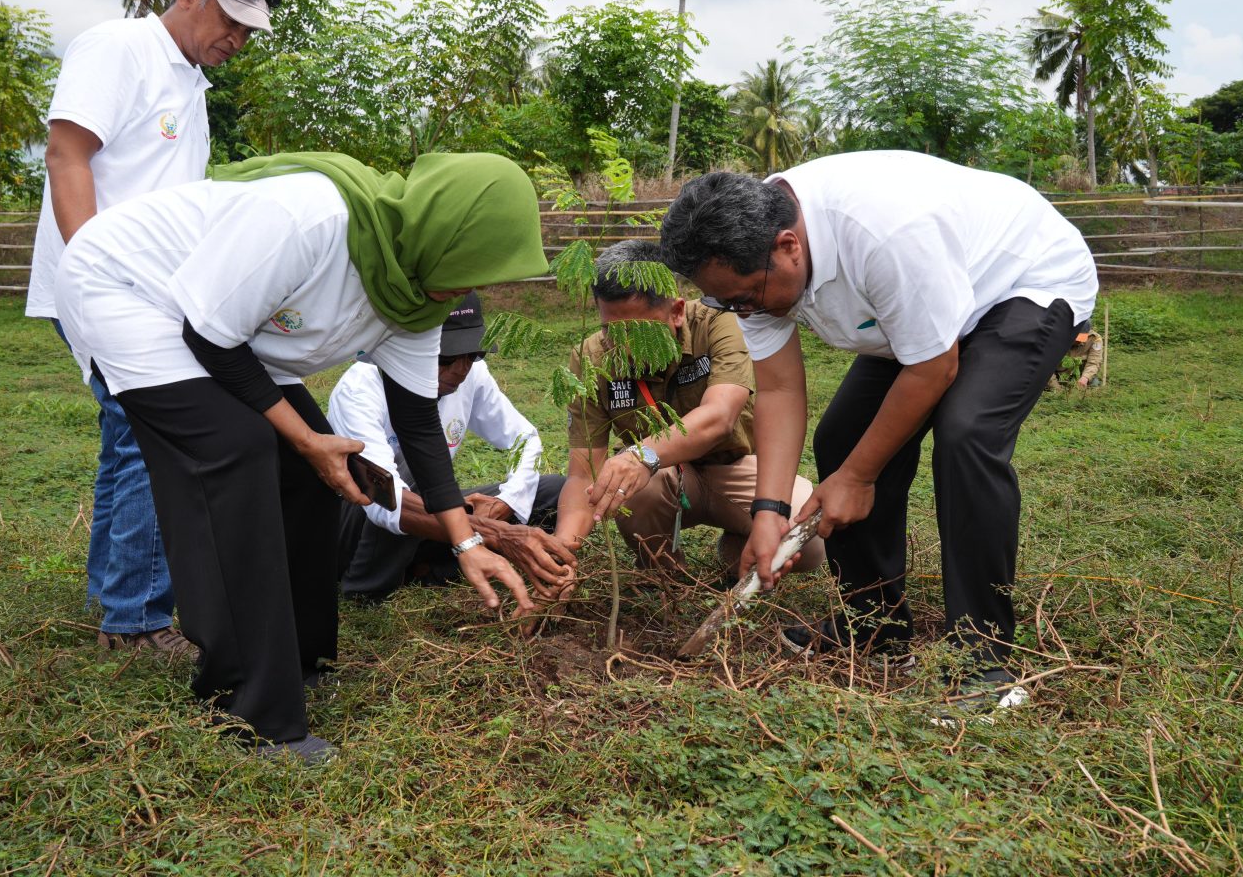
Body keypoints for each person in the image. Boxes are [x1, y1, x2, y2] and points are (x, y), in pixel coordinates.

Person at [54, 151, 547, 762]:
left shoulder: (416, 295)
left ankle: (299, 658)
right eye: (467, 264)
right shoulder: (309, 219)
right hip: (128, 290)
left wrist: (467, 543)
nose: (466, 286)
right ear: (437, 229)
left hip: (220, 324)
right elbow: (206, 337)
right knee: (234, 456)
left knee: (315, 477)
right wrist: (306, 440)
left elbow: (418, 424)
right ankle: (252, 713)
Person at [660, 150, 1097, 712]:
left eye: (746, 297)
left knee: (966, 435)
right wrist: (766, 512)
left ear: (789, 246)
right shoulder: (750, 260)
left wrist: (860, 478)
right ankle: (873, 627)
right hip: (923, 308)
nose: (741, 312)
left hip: (1021, 281)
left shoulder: (886, 234)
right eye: (724, 302)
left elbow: (935, 367)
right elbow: (779, 390)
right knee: (841, 440)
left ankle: (983, 659)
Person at [25, 0, 277, 657]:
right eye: (229, 19)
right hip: (105, 286)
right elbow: (67, 155)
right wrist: (89, 274)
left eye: (248, 31)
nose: (236, 39)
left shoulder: (189, 84)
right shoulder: (119, 48)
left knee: (128, 437)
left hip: (149, 292)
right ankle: (135, 621)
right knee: (153, 436)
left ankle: (115, 594)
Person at [551, 240, 821, 584]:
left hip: (732, 466)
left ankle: (735, 552)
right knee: (631, 486)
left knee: (807, 540)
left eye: (639, 332)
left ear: (677, 311)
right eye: (610, 331)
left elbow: (720, 416)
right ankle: (665, 579)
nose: (624, 347)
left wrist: (641, 454)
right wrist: (562, 555)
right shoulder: (591, 357)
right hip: (658, 476)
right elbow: (583, 473)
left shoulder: (719, 321)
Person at [332, 291, 570, 601]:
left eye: (472, 355)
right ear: (407, 346)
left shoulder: (470, 376)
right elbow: (384, 499)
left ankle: (425, 566)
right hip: (353, 523)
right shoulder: (360, 390)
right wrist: (491, 530)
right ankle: (367, 587)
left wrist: (507, 501)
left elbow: (523, 439)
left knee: (554, 492)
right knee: (415, 467)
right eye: (444, 358)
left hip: (432, 510)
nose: (460, 369)